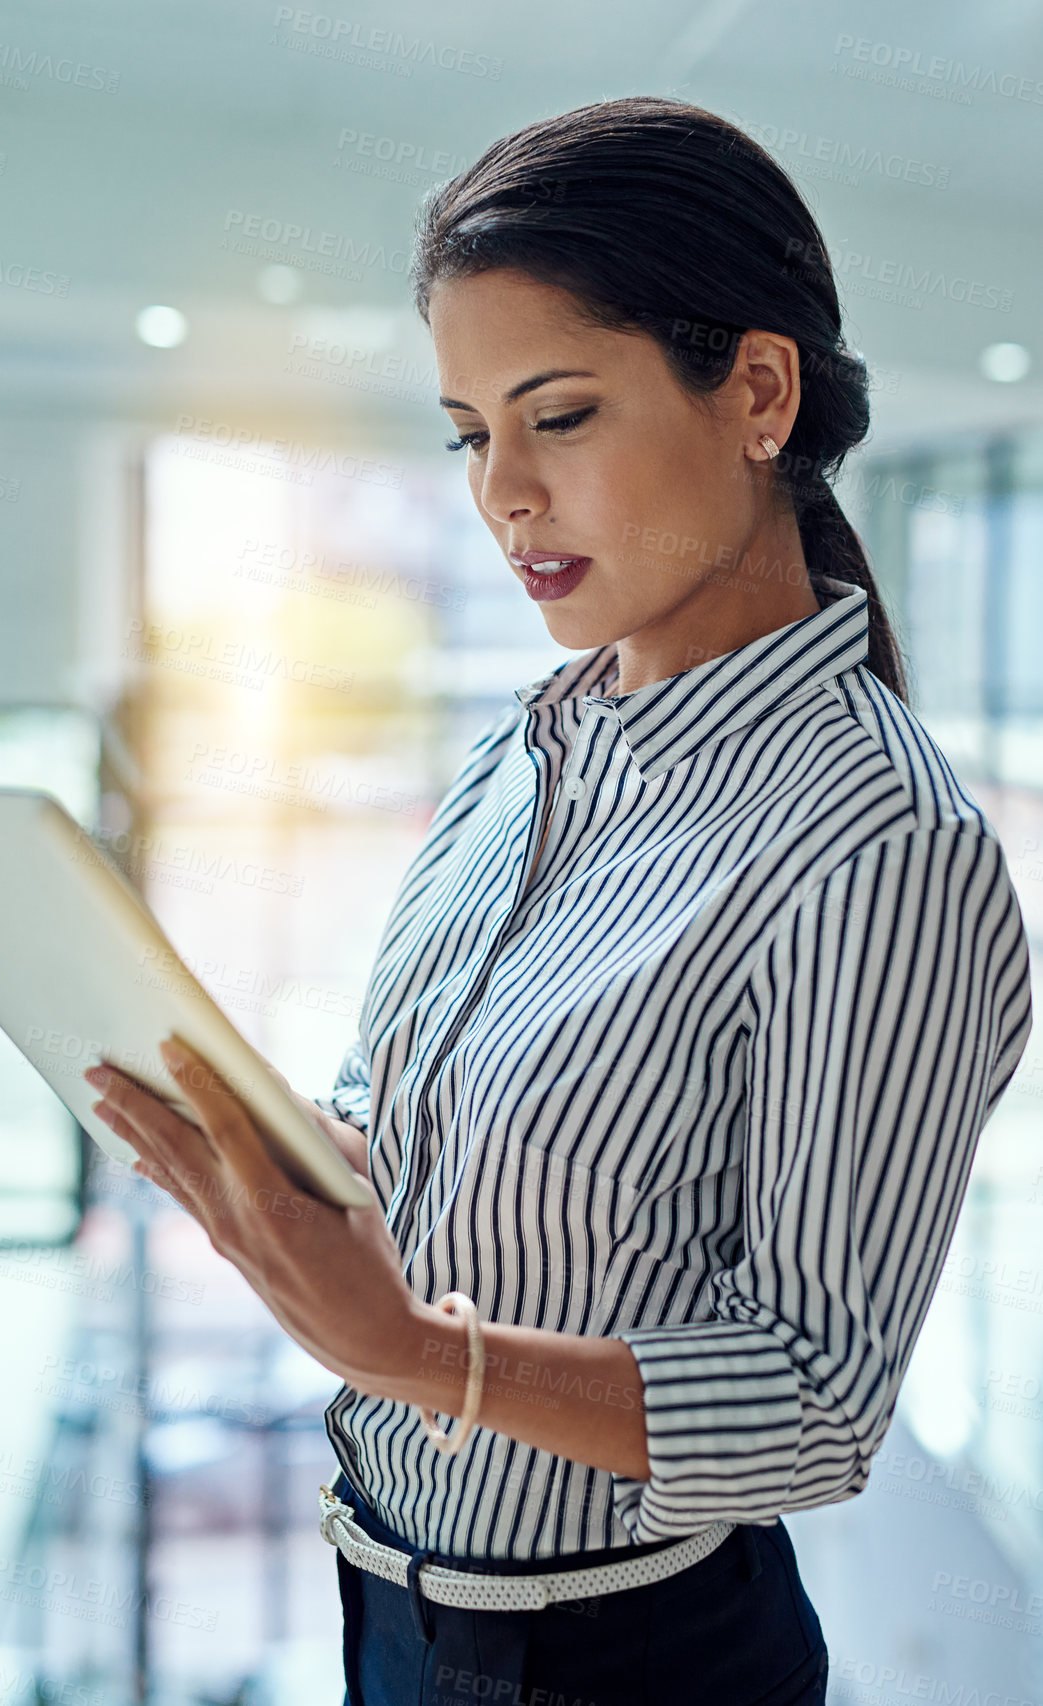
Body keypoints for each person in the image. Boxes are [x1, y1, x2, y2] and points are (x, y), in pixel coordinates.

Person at [85, 97, 1034, 1706]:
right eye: (469, 431)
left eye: (561, 415)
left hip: (623, 1657)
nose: (501, 493)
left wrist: (411, 1352)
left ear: (758, 390)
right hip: (388, 1597)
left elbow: (811, 1407)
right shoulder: (523, 756)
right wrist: (291, 1161)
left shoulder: (879, 842)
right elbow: (410, 1112)